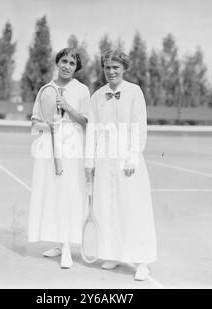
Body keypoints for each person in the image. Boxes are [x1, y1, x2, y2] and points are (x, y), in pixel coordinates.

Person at [84, 49, 157, 281]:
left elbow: (139, 126)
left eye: (115, 67)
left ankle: (141, 260)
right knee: (107, 206)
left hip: (128, 160)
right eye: (107, 67)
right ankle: (113, 254)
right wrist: (89, 162)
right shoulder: (97, 96)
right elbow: (92, 131)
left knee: (134, 209)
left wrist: (132, 158)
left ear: (124, 68)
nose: (111, 71)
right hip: (104, 161)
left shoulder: (135, 92)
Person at [28, 48, 90, 269]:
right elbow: (35, 121)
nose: (67, 66)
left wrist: (68, 108)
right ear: (57, 63)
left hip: (72, 149)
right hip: (49, 149)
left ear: (76, 67)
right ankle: (59, 241)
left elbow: (85, 122)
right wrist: (50, 127)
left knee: (68, 194)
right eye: (64, 61)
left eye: (72, 63)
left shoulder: (82, 90)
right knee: (53, 193)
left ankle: (67, 247)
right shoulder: (45, 89)